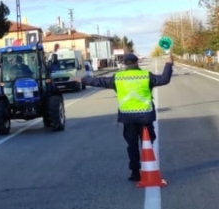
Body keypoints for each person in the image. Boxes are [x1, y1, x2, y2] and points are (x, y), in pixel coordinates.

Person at [72, 53, 173, 182]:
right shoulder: (146, 76)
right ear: (137, 62)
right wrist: (169, 63)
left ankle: (135, 173)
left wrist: (82, 79)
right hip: (145, 117)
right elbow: (164, 79)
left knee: (132, 145)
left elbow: (100, 81)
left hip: (128, 117)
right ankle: (149, 168)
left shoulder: (118, 78)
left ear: (124, 64)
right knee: (147, 144)